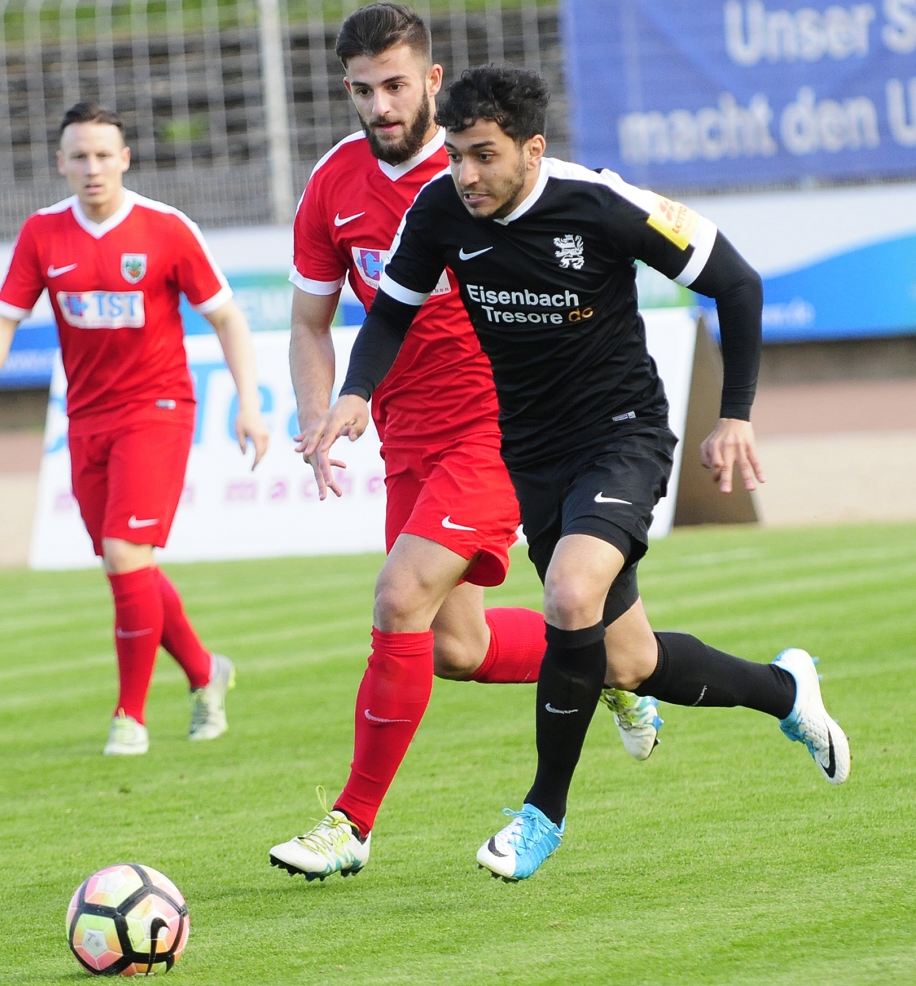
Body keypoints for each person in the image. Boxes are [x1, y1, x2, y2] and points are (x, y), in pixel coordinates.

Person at [301, 65, 850, 882]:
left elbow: (737, 282)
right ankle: (786, 690)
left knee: (567, 592)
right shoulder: (440, 210)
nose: (466, 174)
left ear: (532, 149)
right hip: (532, 454)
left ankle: (542, 814)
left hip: (621, 436)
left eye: (484, 155)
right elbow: (391, 312)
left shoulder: (601, 203)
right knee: (628, 660)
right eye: (455, 155)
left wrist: (734, 413)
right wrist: (353, 392)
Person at [269, 5, 661, 882]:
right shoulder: (332, 185)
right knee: (457, 648)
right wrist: (322, 411)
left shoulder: (480, 174)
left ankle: (350, 824)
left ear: (432, 81)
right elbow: (309, 322)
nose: (381, 105)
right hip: (406, 436)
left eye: (396, 85)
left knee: (397, 594)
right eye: (363, 90)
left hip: (499, 426)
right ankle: (605, 664)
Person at [0, 102, 269, 757]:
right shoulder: (43, 233)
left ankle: (130, 716)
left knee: (126, 554)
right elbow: (2, 315)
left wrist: (249, 403)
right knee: (124, 564)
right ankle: (205, 671)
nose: (93, 167)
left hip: (157, 409)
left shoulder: (166, 229)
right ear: (61, 163)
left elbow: (227, 318)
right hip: (85, 418)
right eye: (80, 156)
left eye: (104, 155)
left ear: (125, 159)